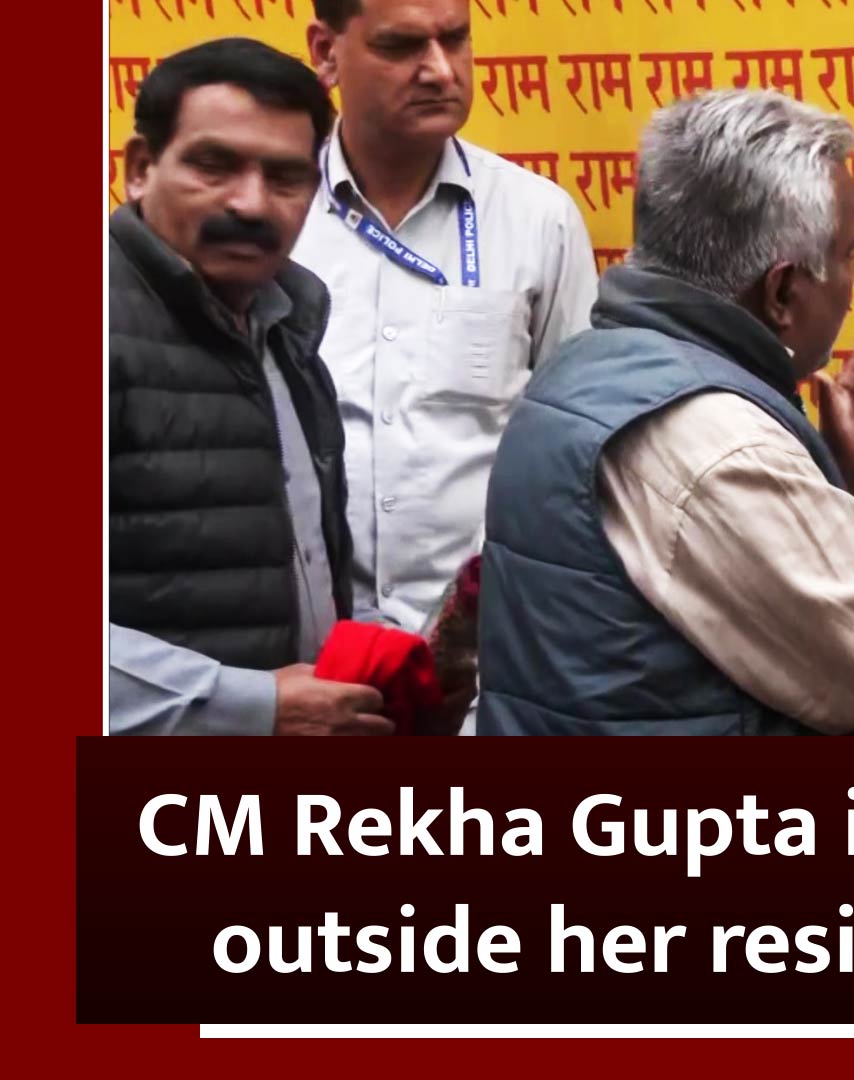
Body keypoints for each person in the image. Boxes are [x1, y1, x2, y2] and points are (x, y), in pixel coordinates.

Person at [476, 89, 854, 735]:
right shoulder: (712, 444)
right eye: (849, 255)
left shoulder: (587, 368)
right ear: (785, 290)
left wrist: (834, 472)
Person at [108, 38, 389, 736]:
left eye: (286, 177)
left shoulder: (288, 330)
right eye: (214, 165)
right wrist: (247, 708)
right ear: (141, 170)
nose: (252, 203)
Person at [294, 0, 598, 637]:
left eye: (455, 39)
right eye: (402, 46)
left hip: (487, 668)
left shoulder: (537, 218)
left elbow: (579, 446)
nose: (439, 70)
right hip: (306, 670)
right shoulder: (277, 218)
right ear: (326, 53)